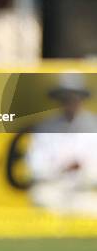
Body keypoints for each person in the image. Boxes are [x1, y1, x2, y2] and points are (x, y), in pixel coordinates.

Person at [26, 74, 97, 216]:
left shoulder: (93, 126)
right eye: (66, 99)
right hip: (53, 191)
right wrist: (61, 169)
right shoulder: (46, 128)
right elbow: (35, 166)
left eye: (75, 98)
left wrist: (82, 169)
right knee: (41, 197)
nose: (71, 103)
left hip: (84, 193)